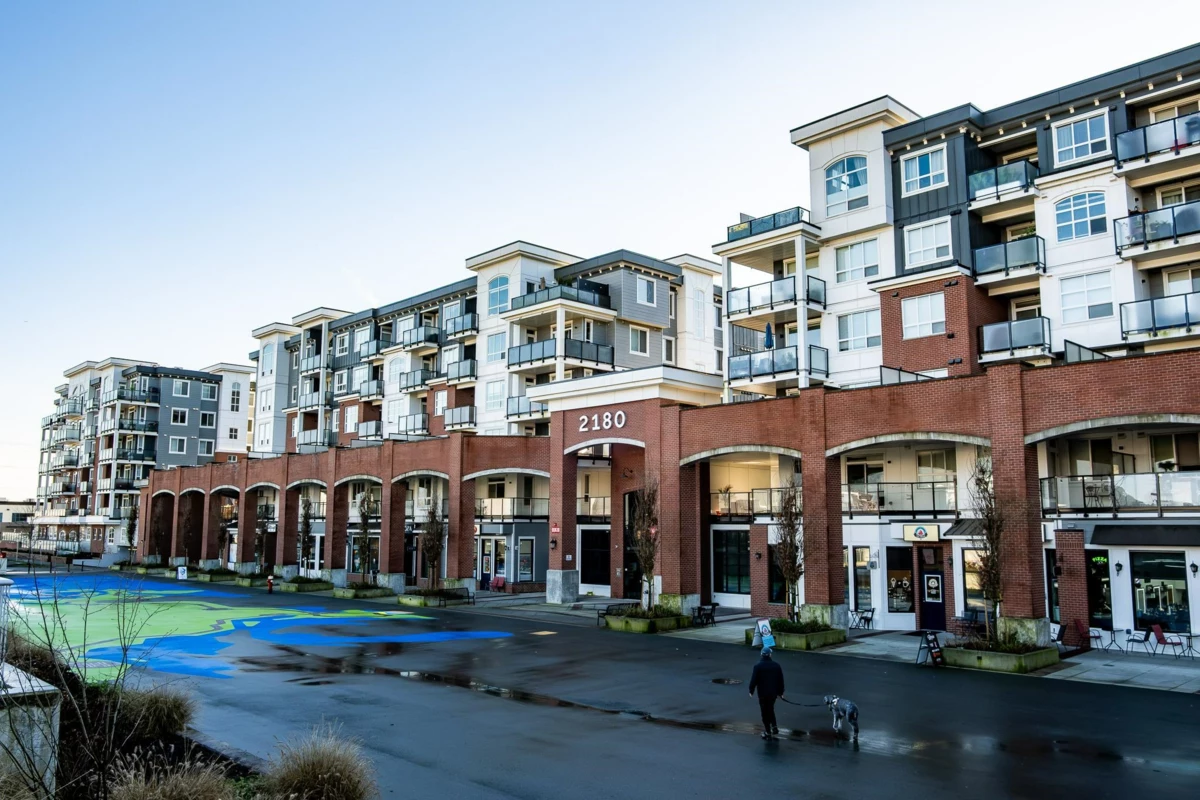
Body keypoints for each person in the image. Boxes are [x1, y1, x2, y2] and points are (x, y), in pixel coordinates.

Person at [748, 647, 785, 739]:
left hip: (762, 693)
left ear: (761, 655)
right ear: (770, 655)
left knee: (764, 712)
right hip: (773, 693)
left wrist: (751, 690)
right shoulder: (776, 666)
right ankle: (774, 726)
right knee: (770, 708)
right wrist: (780, 692)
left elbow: (754, 680)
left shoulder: (758, 666)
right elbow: (780, 680)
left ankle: (768, 731)